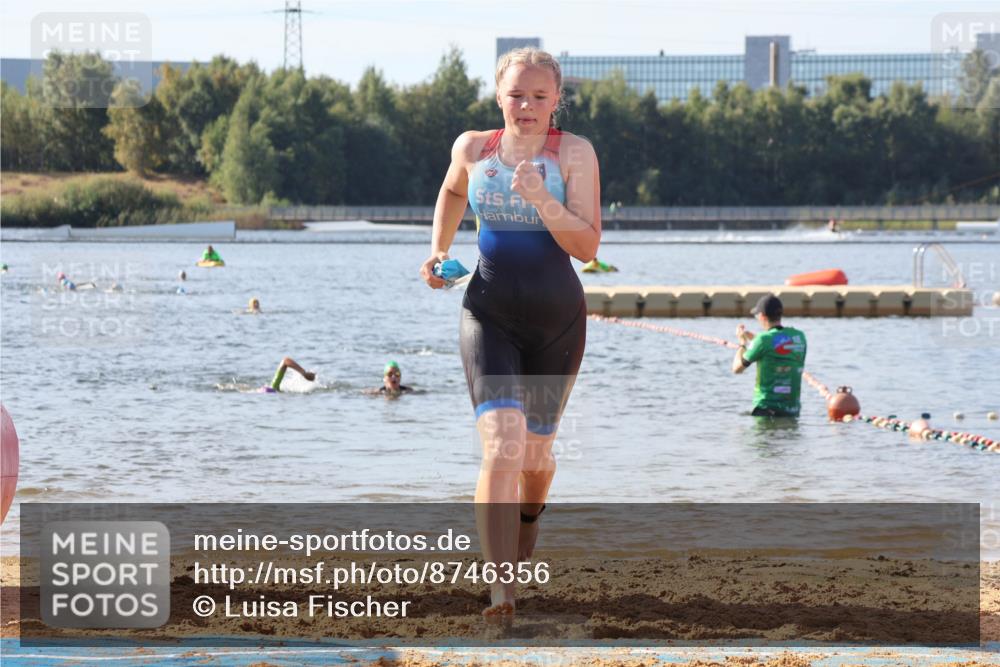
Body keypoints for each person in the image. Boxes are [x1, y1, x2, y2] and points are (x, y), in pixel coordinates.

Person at [419, 47, 601, 619]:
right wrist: (438, 252)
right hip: (488, 313)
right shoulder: (473, 148)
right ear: (499, 96)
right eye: (516, 94)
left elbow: (588, 248)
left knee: (535, 459)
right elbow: (452, 193)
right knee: (501, 446)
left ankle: (528, 519)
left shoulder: (574, 154)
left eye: (539, 96)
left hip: (556, 323)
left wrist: (542, 199)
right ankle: (501, 588)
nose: (526, 105)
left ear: (556, 101)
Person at [732, 294, 807, 417]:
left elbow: (737, 369)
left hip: (766, 410)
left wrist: (742, 343)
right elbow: (777, 345)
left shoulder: (762, 340)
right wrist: (752, 338)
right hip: (792, 411)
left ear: (762, 316)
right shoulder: (799, 337)